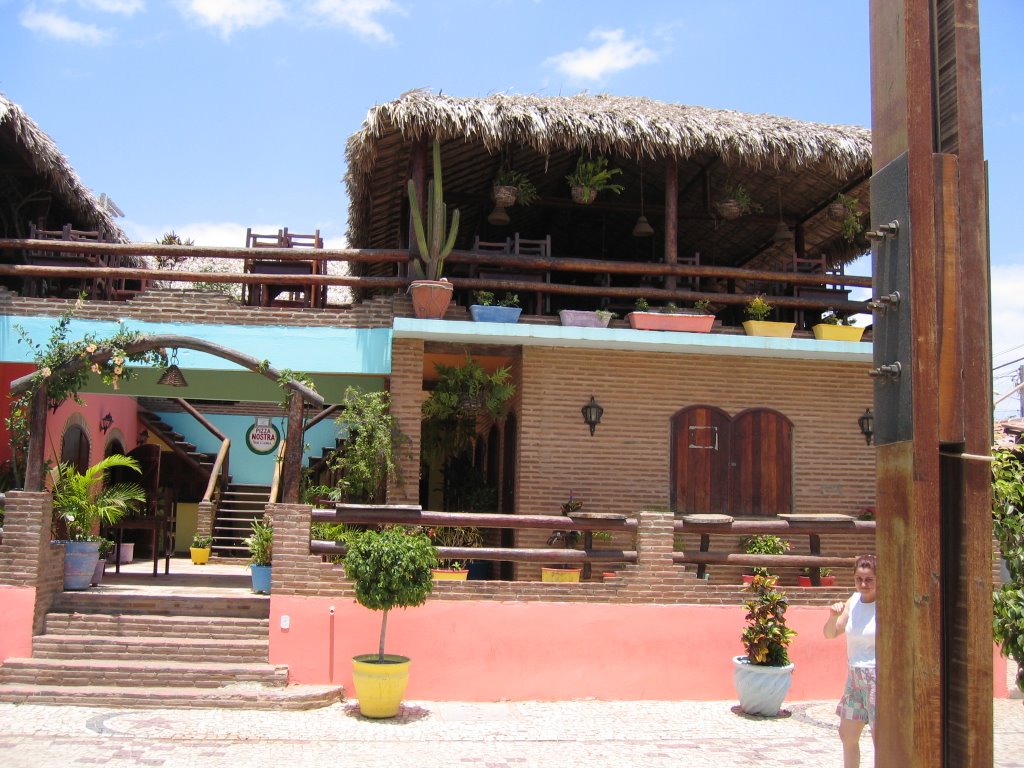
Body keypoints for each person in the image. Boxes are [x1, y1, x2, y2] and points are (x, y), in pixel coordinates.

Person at [823, 553, 877, 768]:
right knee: (847, 734)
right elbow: (830, 634)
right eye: (859, 579)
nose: (863, 584)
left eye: (869, 579)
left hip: (877, 675)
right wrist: (832, 617)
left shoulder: (886, 605)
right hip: (855, 675)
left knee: (880, 738)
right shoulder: (853, 601)